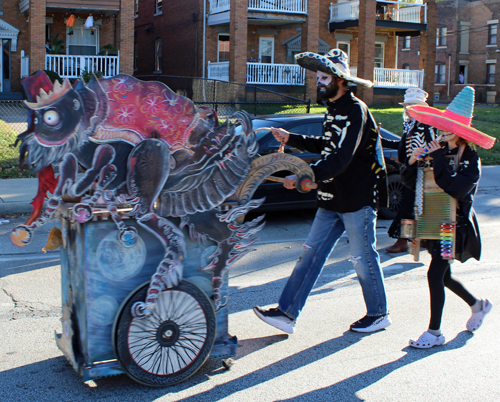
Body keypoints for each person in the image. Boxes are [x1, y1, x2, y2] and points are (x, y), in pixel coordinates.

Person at [253, 49, 391, 334]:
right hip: (332, 198)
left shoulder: (356, 110)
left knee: (363, 259)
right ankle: (286, 314)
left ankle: (379, 314)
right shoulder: (333, 109)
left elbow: (341, 157)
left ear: (341, 80)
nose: (318, 82)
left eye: (324, 77)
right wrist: (292, 138)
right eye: (318, 76)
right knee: (309, 255)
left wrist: (304, 175)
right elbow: (326, 145)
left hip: (357, 199)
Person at [402, 86, 495, 348]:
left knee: (434, 274)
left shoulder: (471, 159)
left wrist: (437, 156)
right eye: (441, 125)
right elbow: (412, 184)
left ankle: (434, 333)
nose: (441, 130)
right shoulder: (437, 152)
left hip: (453, 227)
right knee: (444, 276)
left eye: (447, 127)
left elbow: (454, 187)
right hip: (434, 222)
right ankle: (478, 305)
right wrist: (412, 161)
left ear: (461, 132)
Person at [386, 88, 437, 253]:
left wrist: (419, 156)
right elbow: (401, 146)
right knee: (413, 207)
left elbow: (433, 147)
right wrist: (380, 141)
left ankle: (402, 240)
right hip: (410, 170)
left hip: (420, 172)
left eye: (412, 105)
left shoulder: (425, 125)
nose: (408, 108)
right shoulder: (410, 124)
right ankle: (421, 239)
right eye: (407, 105)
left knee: (408, 208)